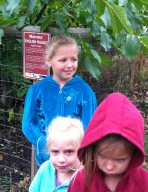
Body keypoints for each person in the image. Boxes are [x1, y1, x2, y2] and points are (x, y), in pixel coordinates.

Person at [67, 93, 148, 192]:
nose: (109, 167)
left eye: (120, 160)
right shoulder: (80, 181)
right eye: (102, 156)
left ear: (133, 154)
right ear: (93, 148)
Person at [22, 35, 97, 167]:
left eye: (74, 59)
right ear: (49, 61)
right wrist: (46, 146)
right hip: (46, 160)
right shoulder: (36, 90)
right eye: (63, 60)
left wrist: (76, 153)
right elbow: (28, 124)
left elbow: (89, 126)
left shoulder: (85, 92)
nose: (69, 65)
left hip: (74, 161)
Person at [27, 116, 84, 192]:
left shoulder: (84, 179)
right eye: (55, 152)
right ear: (49, 150)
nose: (61, 159)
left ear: (81, 150)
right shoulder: (45, 168)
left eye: (69, 151)